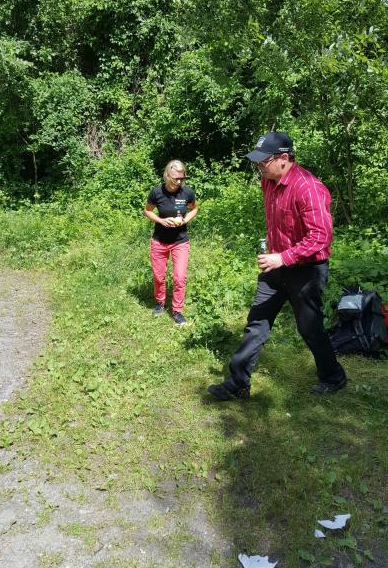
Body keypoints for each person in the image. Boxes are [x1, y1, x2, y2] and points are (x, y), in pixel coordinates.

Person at [208, 131, 347, 400]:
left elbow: (321, 237)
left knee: (310, 327)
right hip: (276, 265)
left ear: (283, 158)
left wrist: (283, 257)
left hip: (307, 270)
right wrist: (275, 251)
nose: (259, 166)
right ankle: (238, 383)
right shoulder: (268, 180)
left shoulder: (309, 188)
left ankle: (333, 377)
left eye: (263, 161)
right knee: (257, 321)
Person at [144, 160, 198, 325]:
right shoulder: (156, 192)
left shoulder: (187, 192)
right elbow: (147, 211)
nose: (179, 182)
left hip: (180, 241)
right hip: (159, 241)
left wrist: (185, 219)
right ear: (167, 175)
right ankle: (160, 303)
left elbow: (194, 208)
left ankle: (177, 311)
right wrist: (161, 220)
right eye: (176, 178)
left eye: (182, 178)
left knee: (179, 278)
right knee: (159, 276)